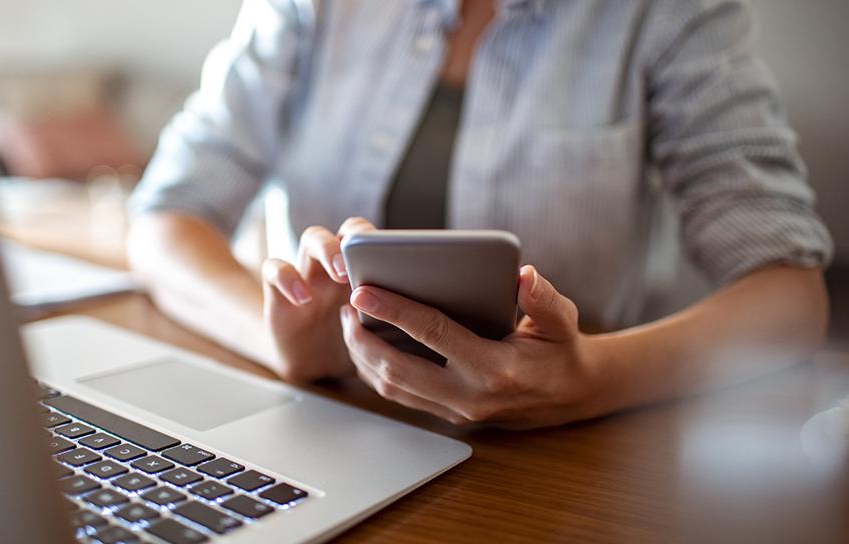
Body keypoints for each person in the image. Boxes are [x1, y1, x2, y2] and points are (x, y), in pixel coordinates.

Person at [127, 0, 832, 428]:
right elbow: (163, 220)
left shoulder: (668, 16)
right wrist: (282, 340)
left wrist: (590, 378)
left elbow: (790, 296)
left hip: (557, 460)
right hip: (327, 422)